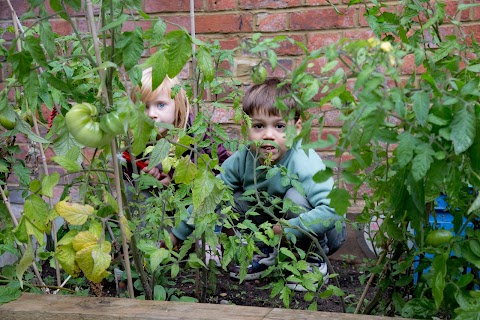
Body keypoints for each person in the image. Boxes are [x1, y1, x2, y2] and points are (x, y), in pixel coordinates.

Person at [163, 77, 346, 291]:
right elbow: (210, 197)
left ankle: (311, 261)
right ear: (246, 127)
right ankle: (264, 253)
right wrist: (176, 235)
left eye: (279, 126)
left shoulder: (303, 161)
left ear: (296, 129)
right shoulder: (243, 159)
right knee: (233, 198)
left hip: (324, 233)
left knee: (294, 198)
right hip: (273, 230)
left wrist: (288, 229)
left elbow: (333, 210)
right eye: (258, 126)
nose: (268, 135)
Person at [123, 67, 229, 187]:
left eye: (161, 105)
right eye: (144, 107)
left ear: (178, 104)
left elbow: (223, 167)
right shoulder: (136, 139)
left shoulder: (196, 132)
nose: (151, 114)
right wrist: (142, 175)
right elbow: (126, 171)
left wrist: (174, 181)